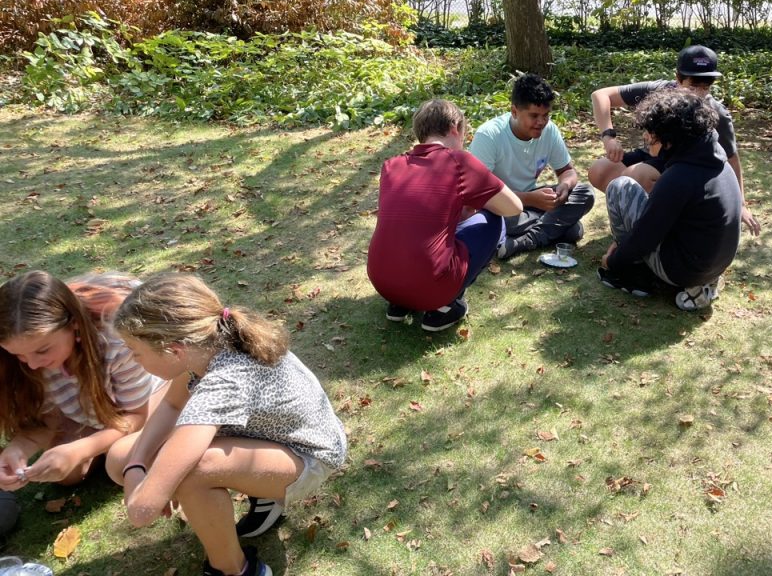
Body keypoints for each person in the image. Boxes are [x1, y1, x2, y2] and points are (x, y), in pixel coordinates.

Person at [108, 273, 347, 576]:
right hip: (267, 437)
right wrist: (138, 463)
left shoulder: (223, 384)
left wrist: (150, 484)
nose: (133, 359)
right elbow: (170, 404)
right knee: (121, 457)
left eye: (136, 351)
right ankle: (261, 496)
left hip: (310, 456)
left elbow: (141, 512)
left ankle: (237, 570)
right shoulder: (203, 345)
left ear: (173, 349)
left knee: (193, 471)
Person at [0, 271, 164, 513]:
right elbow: (47, 418)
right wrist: (19, 448)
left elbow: (135, 415)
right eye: (19, 355)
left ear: (74, 325)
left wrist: (81, 449)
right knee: (66, 476)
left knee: (120, 459)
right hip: (96, 406)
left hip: (149, 397)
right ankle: (102, 441)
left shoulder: (117, 340)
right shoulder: (23, 358)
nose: (32, 364)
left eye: (42, 350)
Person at [366, 99, 523, 332]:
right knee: (494, 219)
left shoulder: (391, 165)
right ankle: (445, 306)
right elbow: (514, 207)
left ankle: (400, 304)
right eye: (463, 134)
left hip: (382, 282)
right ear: (454, 128)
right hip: (431, 286)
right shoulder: (459, 160)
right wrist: (475, 204)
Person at [588, 44, 761, 236]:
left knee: (633, 176)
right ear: (678, 78)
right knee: (600, 170)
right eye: (693, 86)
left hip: (682, 170)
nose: (699, 95)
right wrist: (608, 137)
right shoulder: (659, 90)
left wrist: (741, 204)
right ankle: (638, 221)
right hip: (653, 155)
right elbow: (601, 95)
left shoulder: (716, 112)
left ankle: (657, 230)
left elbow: (732, 159)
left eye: (706, 87)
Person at [598, 89, 742, 310]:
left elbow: (644, 237)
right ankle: (701, 285)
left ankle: (632, 273)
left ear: (668, 137)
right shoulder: (712, 156)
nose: (646, 137)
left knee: (620, 188)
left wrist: (614, 261)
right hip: (714, 264)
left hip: (683, 271)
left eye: (650, 132)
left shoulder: (680, 176)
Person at [469, 73, 595, 260]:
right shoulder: (489, 136)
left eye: (545, 115)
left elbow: (567, 171)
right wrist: (530, 199)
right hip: (500, 209)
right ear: (514, 111)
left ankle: (526, 240)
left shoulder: (549, 130)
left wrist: (564, 186)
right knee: (571, 231)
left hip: (532, 206)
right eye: (534, 116)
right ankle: (558, 226)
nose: (541, 122)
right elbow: (477, 194)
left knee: (585, 193)